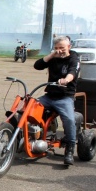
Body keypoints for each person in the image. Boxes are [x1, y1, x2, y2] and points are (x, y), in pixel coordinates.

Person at [33, 36, 81, 166]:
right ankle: (28, 137)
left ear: (69, 47)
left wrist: (66, 80)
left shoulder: (74, 58)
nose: (59, 51)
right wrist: (51, 55)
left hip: (65, 97)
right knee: (28, 108)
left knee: (69, 120)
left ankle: (69, 149)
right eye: (56, 48)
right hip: (49, 96)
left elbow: (72, 72)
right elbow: (37, 66)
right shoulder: (53, 57)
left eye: (62, 48)